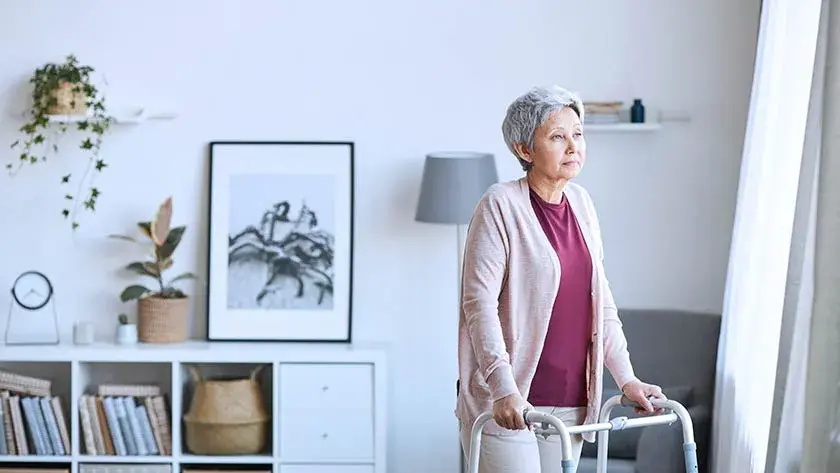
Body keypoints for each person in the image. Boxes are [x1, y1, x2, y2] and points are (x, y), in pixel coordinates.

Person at [456, 85, 666, 472]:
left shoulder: (582, 203)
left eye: (578, 134)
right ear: (524, 149)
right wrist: (503, 390)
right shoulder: (499, 205)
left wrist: (627, 379)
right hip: (510, 405)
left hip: (570, 405)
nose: (573, 146)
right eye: (557, 136)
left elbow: (601, 304)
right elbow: (479, 306)